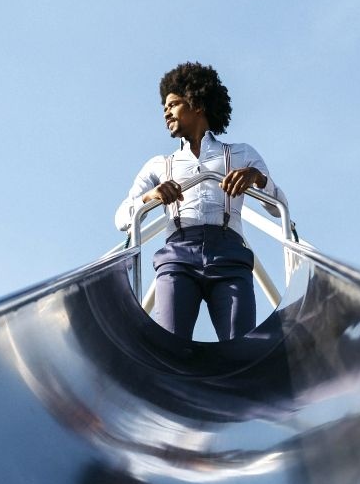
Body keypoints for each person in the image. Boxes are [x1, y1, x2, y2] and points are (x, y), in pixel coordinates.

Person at [115, 62, 289, 341]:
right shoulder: (160, 165)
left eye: (173, 104)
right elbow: (122, 218)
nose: (166, 112)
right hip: (177, 257)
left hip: (230, 255)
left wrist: (257, 178)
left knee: (239, 346)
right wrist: (150, 196)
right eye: (164, 107)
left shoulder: (241, 154)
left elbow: (278, 207)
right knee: (171, 345)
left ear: (196, 104)